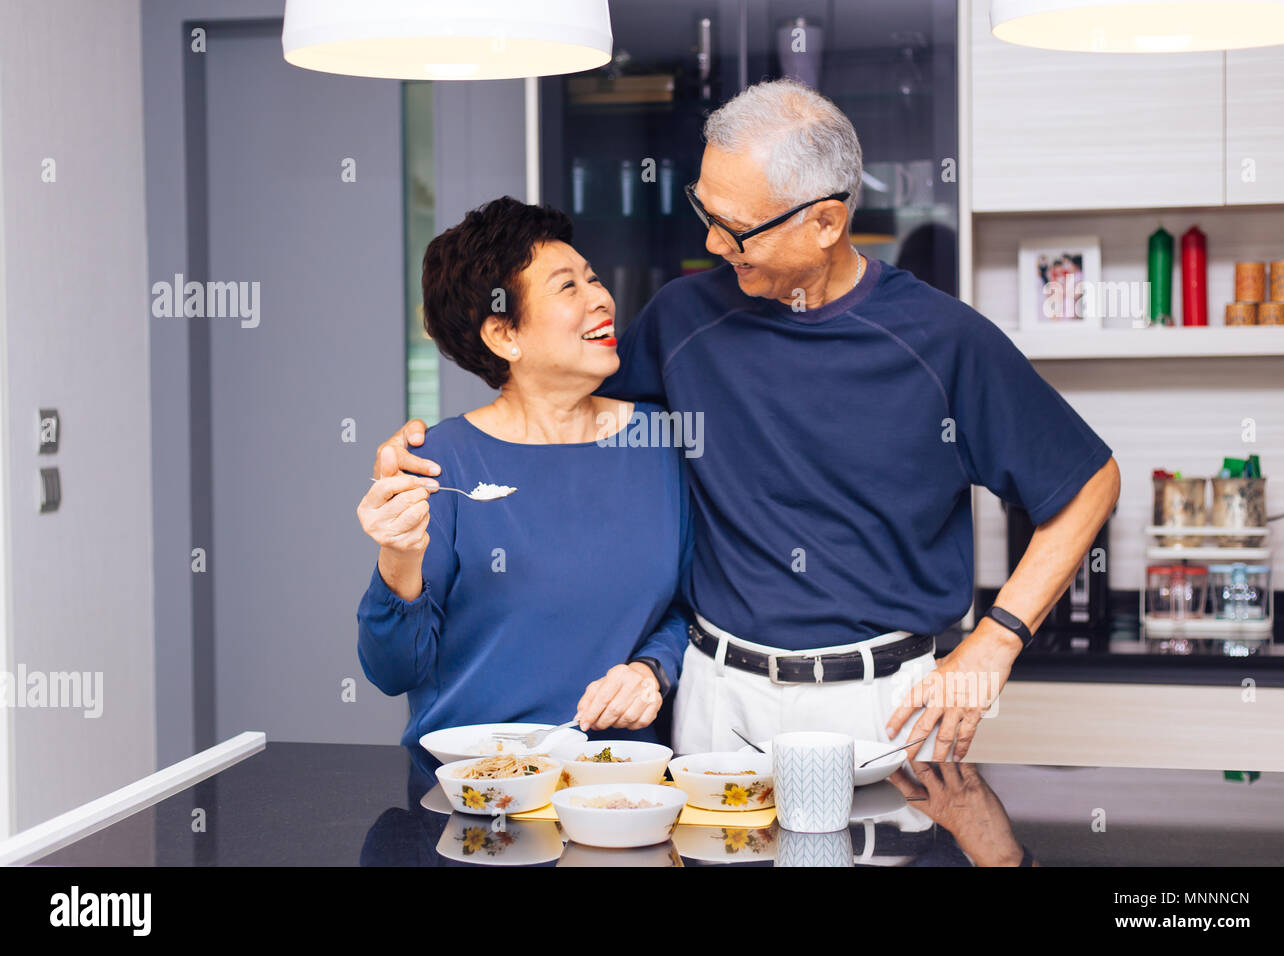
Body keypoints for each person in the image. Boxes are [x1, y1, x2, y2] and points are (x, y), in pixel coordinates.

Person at [377, 79, 1120, 764]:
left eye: (736, 229)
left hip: (886, 705)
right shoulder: (681, 317)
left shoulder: (942, 340)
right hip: (715, 697)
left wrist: (998, 638)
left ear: (827, 221)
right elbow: (553, 405)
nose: (711, 244)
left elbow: (1088, 480)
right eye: (706, 213)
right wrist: (430, 458)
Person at [356, 197, 692, 780]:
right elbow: (394, 671)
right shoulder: (439, 464)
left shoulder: (660, 442)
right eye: (567, 287)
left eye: (593, 278)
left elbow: (694, 605)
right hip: (478, 794)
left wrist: (652, 669)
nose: (601, 297)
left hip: (619, 786)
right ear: (504, 334)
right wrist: (399, 559)